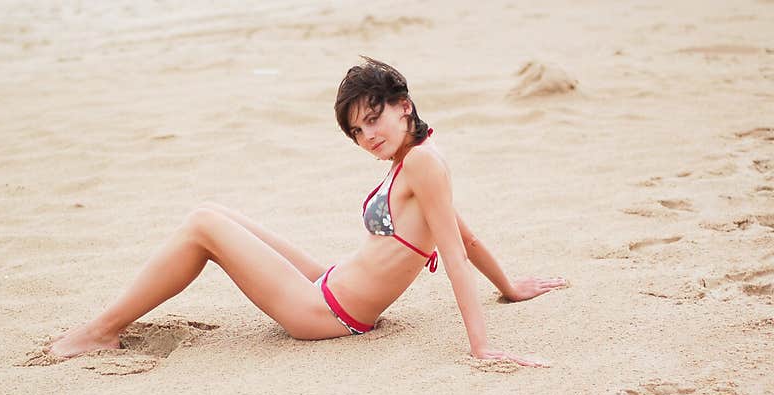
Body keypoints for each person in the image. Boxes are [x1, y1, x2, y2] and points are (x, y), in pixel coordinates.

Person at [48, 57, 567, 365]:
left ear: (404, 105)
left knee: (201, 226)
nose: (368, 137)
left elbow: (454, 253)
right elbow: (466, 236)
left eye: (373, 119)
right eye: (357, 132)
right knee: (210, 209)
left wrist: (481, 347)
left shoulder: (425, 164)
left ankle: (101, 330)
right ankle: (104, 327)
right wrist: (510, 288)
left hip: (326, 314)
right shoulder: (411, 161)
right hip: (330, 283)